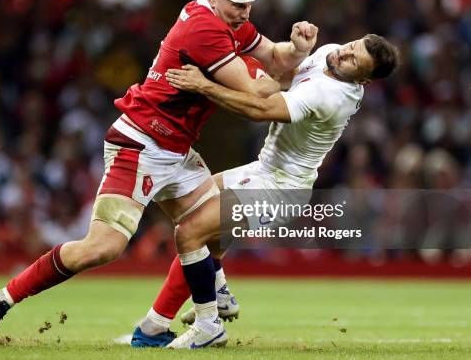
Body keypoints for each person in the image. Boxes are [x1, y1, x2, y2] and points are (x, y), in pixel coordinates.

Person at [0, 0, 317, 342]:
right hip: (140, 144)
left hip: (175, 150)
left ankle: (160, 325)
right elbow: (255, 93)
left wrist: (297, 51)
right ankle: (2, 298)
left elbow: (274, 58)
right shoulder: (204, 28)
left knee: (210, 227)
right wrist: (295, 88)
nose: (246, 13)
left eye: (250, 5)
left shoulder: (227, 21)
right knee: (102, 248)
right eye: (238, 5)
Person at [133, 33, 398, 348]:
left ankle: (208, 326)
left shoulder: (330, 96)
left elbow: (259, 109)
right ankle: (198, 302)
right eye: (351, 46)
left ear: (364, 81)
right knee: (190, 209)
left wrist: (203, 84)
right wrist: (293, 48)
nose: (344, 55)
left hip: (281, 190)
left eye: (355, 61)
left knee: (190, 234)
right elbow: (283, 75)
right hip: (263, 170)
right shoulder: (330, 52)